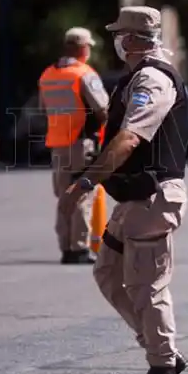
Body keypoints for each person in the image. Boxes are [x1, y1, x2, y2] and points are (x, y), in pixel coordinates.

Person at [58, 6, 188, 374]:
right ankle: (162, 350)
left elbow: (131, 138)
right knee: (108, 271)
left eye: (120, 34)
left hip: (152, 197)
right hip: (133, 197)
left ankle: (165, 372)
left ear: (132, 39)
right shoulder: (132, 78)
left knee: (148, 287)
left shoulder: (152, 79)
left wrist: (85, 182)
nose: (117, 40)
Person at [39, 27, 109, 264]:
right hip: (81, 143)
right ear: (82, 48)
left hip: (57, 143)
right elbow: (102, 109)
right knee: (81, 194)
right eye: (88, 46)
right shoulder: (84, 74)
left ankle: (66, 248)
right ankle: (79, 248)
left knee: (63, 196)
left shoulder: (48, 74)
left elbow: (43, 109)